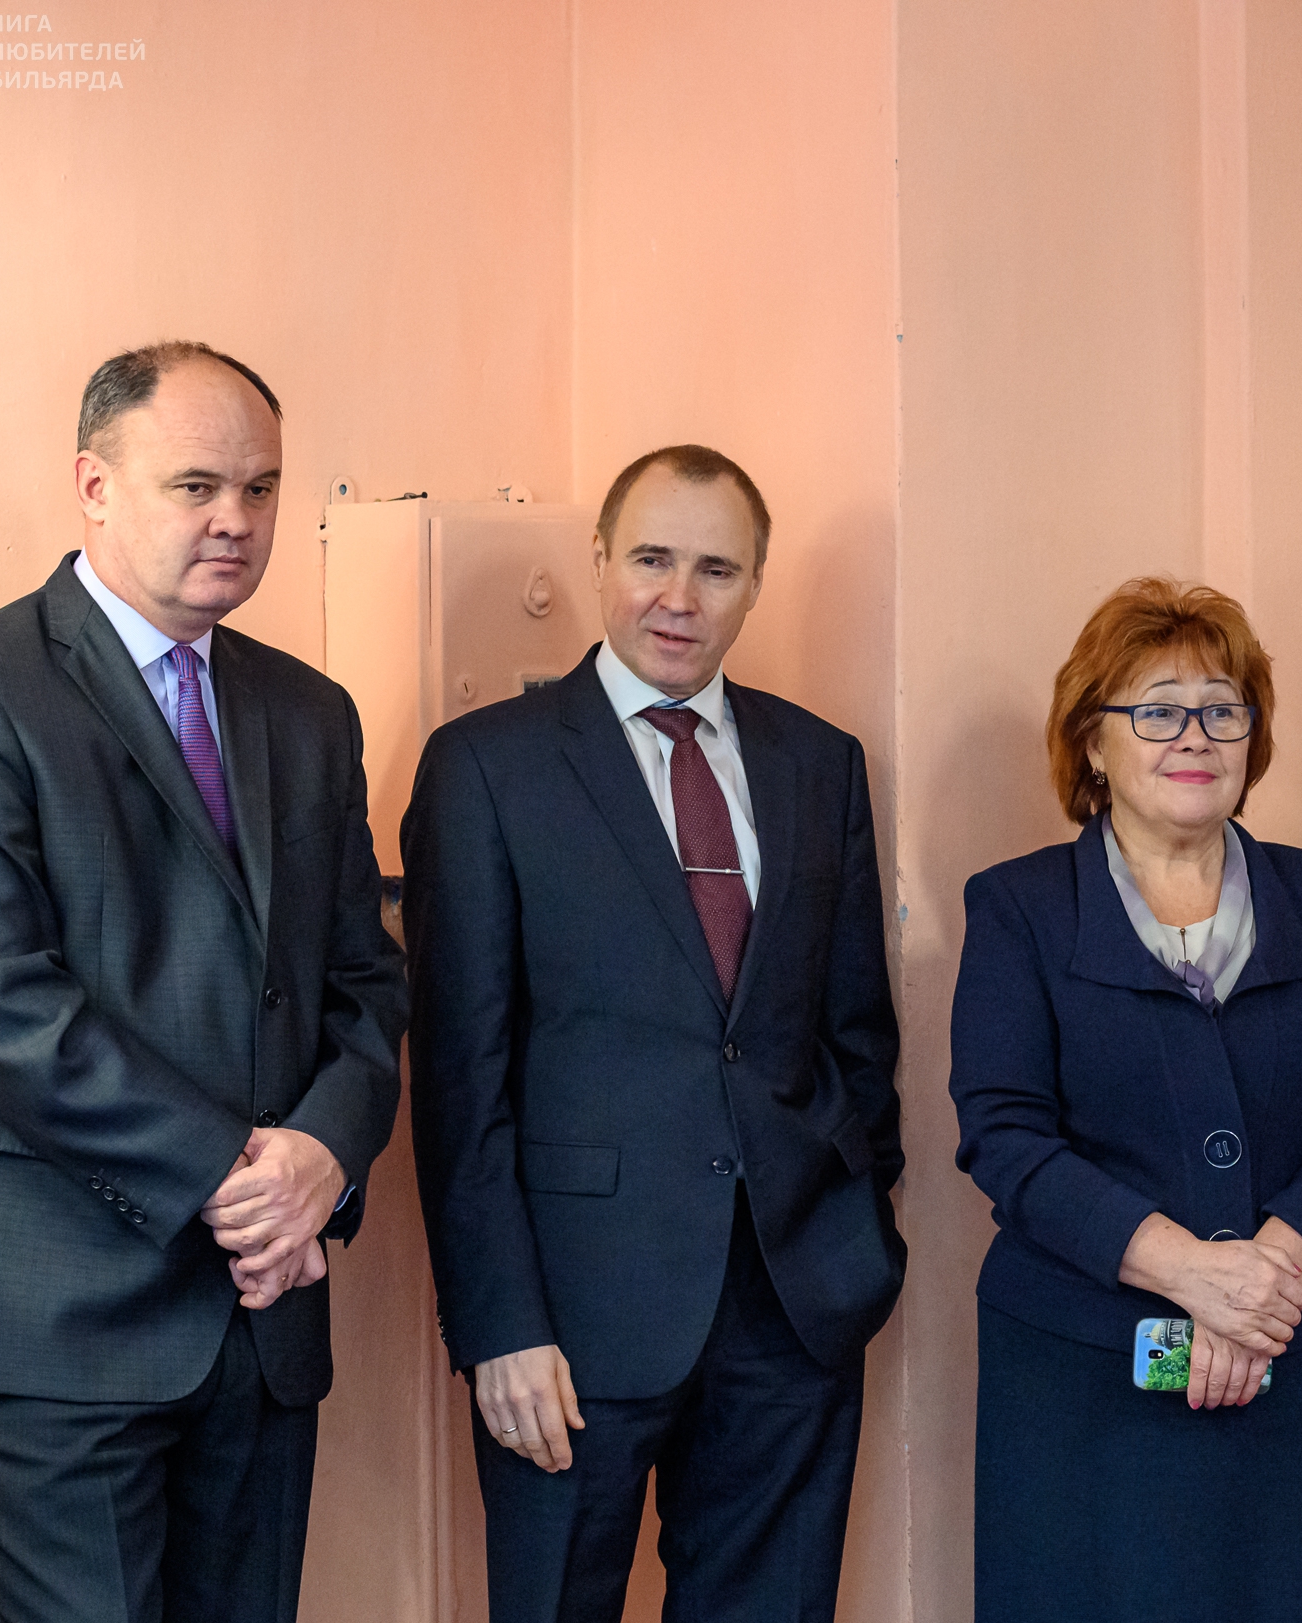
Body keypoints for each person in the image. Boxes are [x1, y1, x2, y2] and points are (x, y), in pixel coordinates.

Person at [0, 341, 409, 1622]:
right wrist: (240, 1182)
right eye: (196, 485)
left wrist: (325, 1156)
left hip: (260, 1315)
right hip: (54, 1314)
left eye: (262, 488)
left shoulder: (309, 713)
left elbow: (368, 981)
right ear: (94, 487)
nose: (237, 519)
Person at [403, 444, 904, 1623]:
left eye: (717, 570)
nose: (680, 598)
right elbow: (461, 1080)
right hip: (572, 1320)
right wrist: (500, 1324)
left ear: (755, 584)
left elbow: (855, 1032)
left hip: (791, 1307)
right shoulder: (487, 768)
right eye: (652, 560)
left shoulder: (819, 764)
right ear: (600, 562)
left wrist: (855, 1223)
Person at [950, 578, 1302, 1623]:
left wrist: (1267, 1277)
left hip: (1282, 1368)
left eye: (1222, 708)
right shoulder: (1019, 907)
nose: (1194, 736)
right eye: (1156, 710)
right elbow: (1006, 1139)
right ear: (1092, 742)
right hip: (1079, 1387)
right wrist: (1195, 1275)